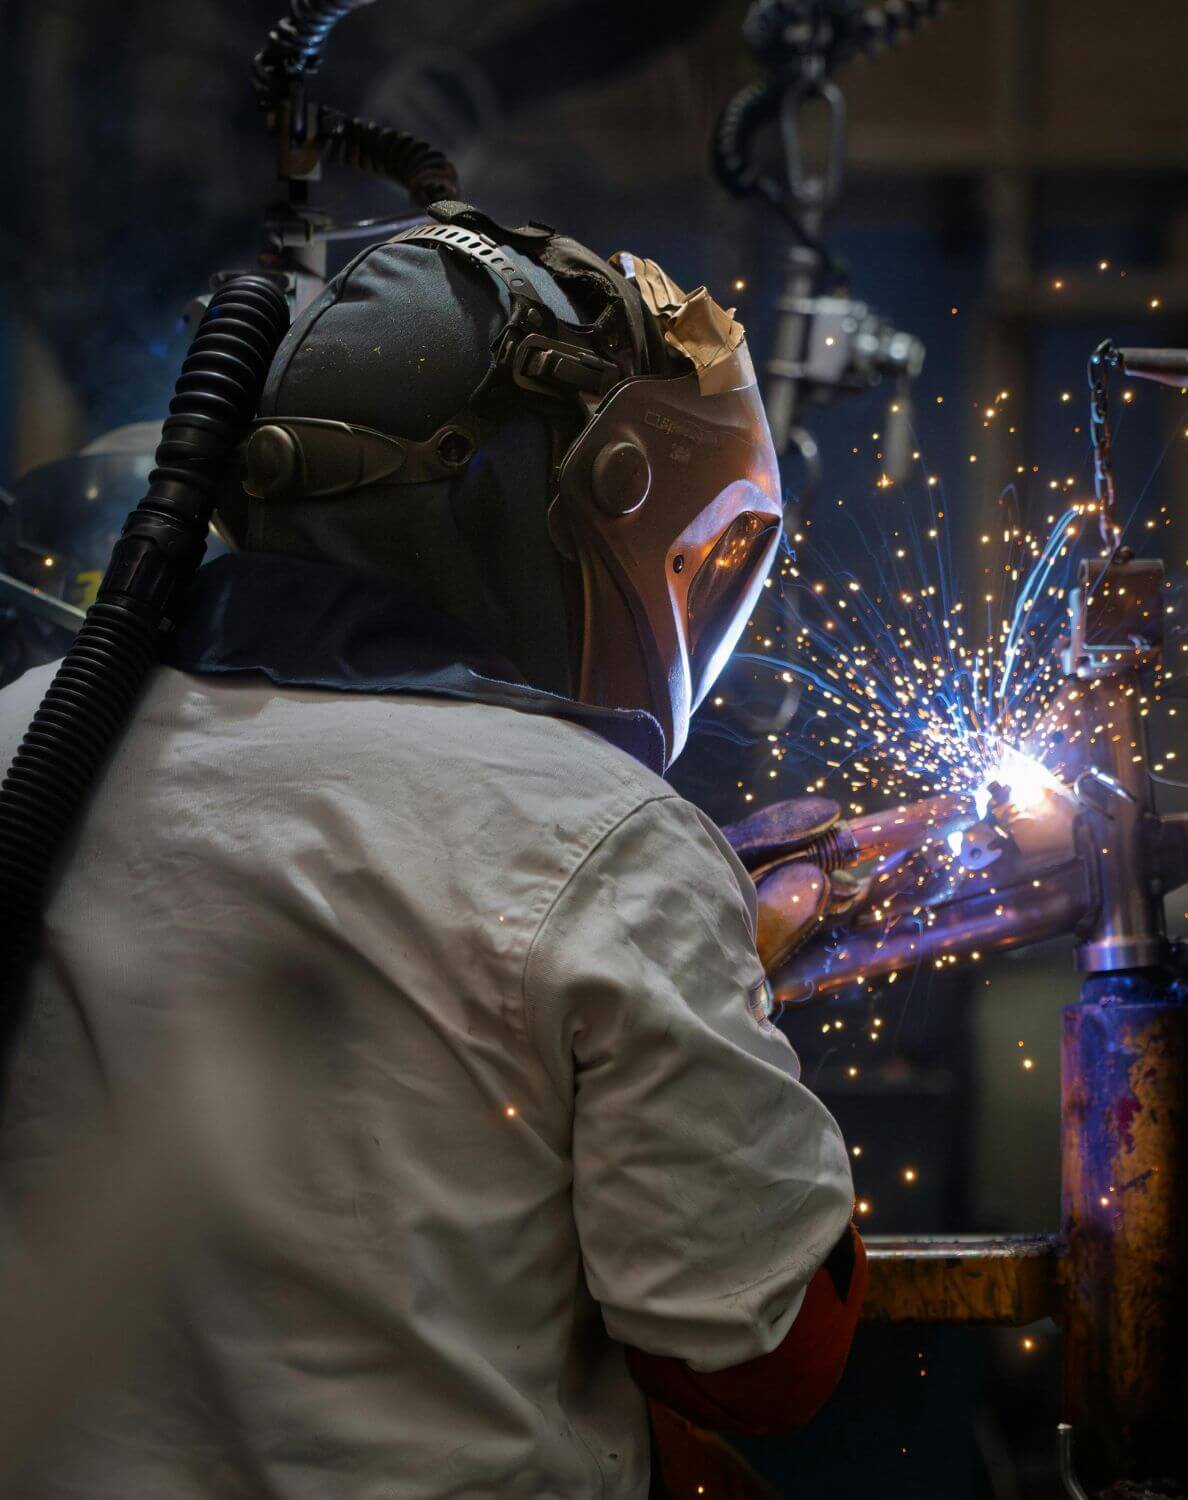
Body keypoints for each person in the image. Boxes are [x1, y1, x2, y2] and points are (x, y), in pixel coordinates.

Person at [0, 200, 863, 1499]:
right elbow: (755, 1357)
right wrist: (721, 986)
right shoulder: (602, 834)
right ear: (593, 502)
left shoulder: (25, 739)